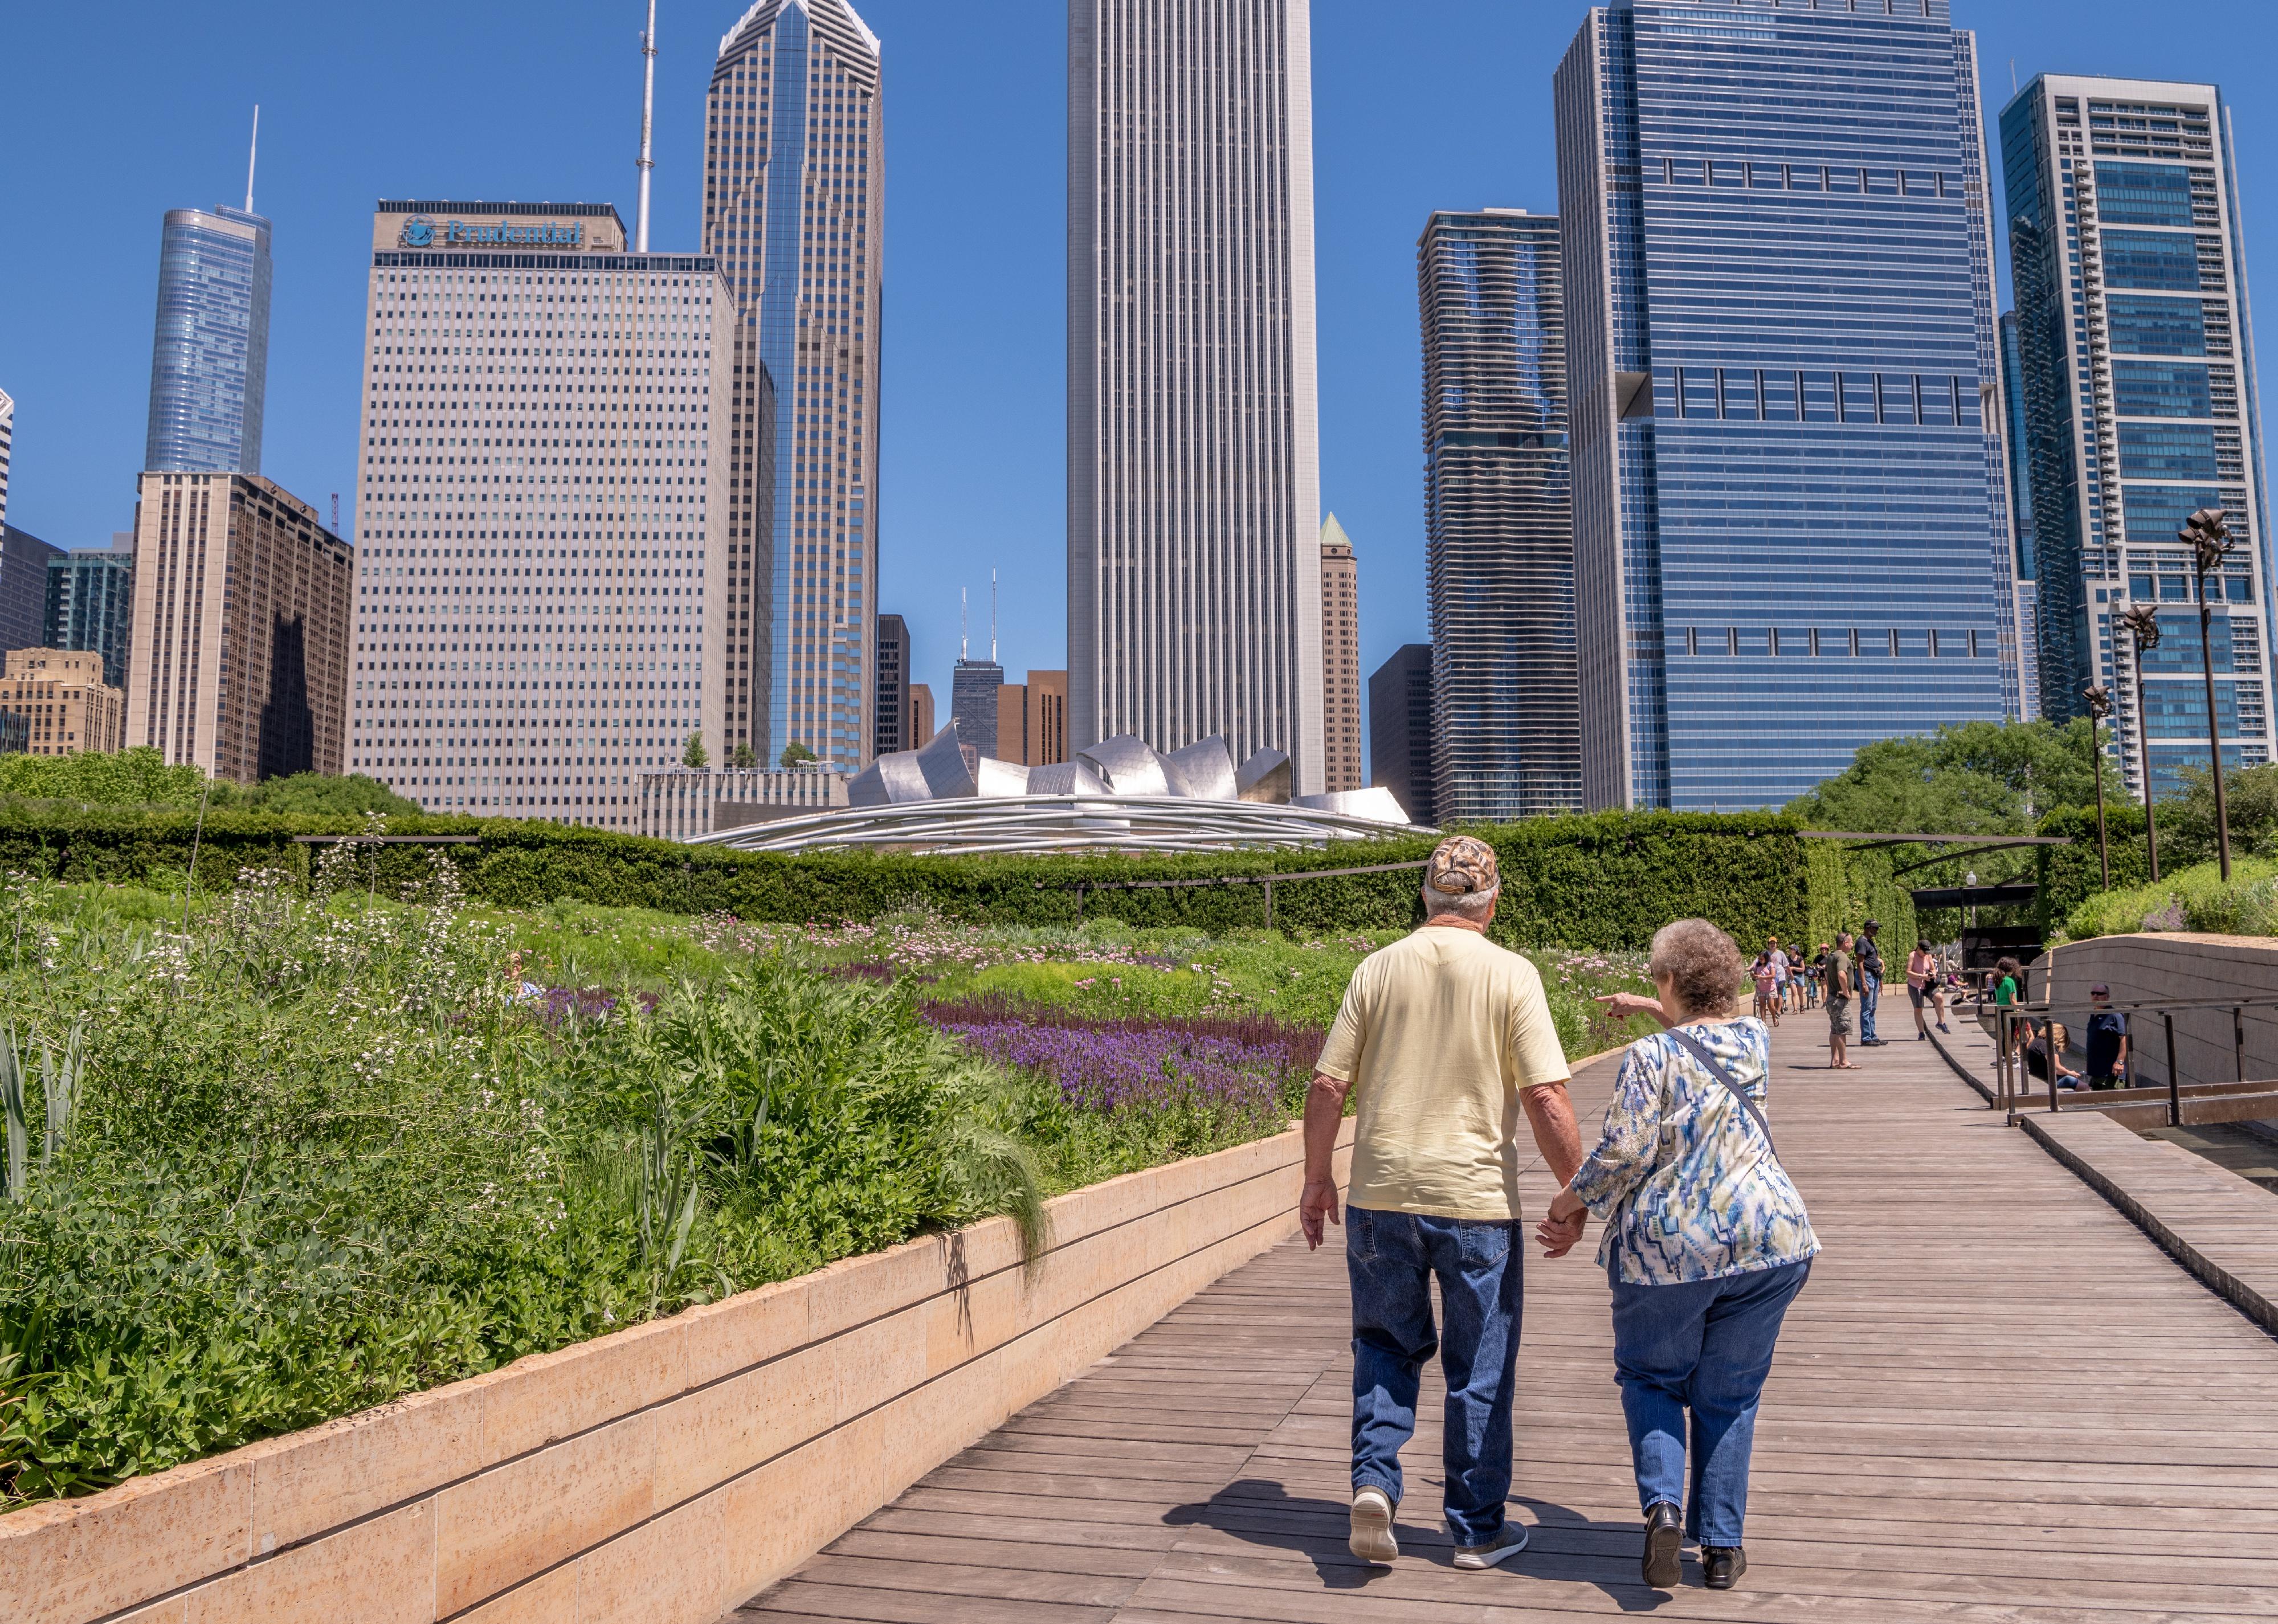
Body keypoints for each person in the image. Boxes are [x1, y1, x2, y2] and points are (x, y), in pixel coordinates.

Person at [1300, 835, 1583, 1572]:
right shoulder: (1511, 974)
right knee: (1477, 1364)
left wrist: (1315, 1178)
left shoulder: (1376, 968)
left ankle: (1374, 1483)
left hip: (1379, 1193)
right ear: (1492, 902)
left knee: (1385, 1346)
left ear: (1425, 896)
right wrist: (1574, 1191)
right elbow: (1545, 1094)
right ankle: (1476, 1528)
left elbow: (1328, 1084)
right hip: (1475, 1201)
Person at [1555, 920, 1819, 1592]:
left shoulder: (1648, 1059)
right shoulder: (1756, 1041)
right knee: (1729, 1397)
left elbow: (1623, 1152)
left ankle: (1664, 1507)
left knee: (1651, 1380)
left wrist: (1568, 1207)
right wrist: (1653, 1009)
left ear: (1669, 980)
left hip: (1668, 1252)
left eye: (1655, 976)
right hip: (1769, 1242)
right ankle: (1723, 1548)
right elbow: (1707, 1028)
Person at [2085, 985, 2129, 1088]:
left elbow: (2124, 1039)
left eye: (2100, 994)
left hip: (2111, 1074)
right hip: (2097, 1072)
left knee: (2111, 1103)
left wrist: (2120, 1061)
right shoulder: (2094, 1014)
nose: (2096, 996)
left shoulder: (2114, 1015)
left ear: (2107, 997)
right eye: (2093, 993)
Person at [1824, 933, 1857, 1070]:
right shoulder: (1842, 957)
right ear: (1845, 943)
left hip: (1831, 998)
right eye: (1851, 943)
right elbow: (1841, 974)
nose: (1852, 945)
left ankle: (1835, 1060)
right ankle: (1844, 1061)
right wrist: (1846, 992)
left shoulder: (1831, 956)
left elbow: (1826, 973)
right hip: (1840, 1000)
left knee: (1834, 1029)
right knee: (1842, 1030)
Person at [1856, 920, 1887, 1046]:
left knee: (1872, 1008)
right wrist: (1863, 983)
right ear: (1867, 928)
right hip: (1867, 976)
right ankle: (1866, 1038)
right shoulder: (1862, 942)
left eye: (1877, 928)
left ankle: (1872, 1035)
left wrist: (1879, 979)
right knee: (1867, 1008)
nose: (1876, 931)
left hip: (1873, 975)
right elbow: (1860, 963)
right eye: (1874, 928)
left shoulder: (1870, 942)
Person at [1906, 939, 1938, 1041]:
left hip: (1927, 984)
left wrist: (1933, 973)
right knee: (1919, 1008)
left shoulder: (1928, 956)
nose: (1926, 954)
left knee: (1938, 997)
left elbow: (1933, 968)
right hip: (1915, 985)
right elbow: (1908, 972)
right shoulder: (1912, 955)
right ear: (1919, 948)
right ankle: (1921, 1033)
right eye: (1924, 952)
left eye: (1927, 952)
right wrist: (1922, 976)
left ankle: (1941, 1023)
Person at [1751, 952, 1780, 1024]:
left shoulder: (1770, 965)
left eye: (1762, 959)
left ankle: (1774, 1019)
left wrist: (1761, 977)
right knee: (1762, 1005)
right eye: (1759, 959)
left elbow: (1773, 975)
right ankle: (1764, 1022)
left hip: (1770, 988)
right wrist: (1753, 975)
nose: (1760, 960)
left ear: (1766, 958)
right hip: (1760, 987)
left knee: (1771, 1006)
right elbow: (1754, 975)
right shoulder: (1757, 966)